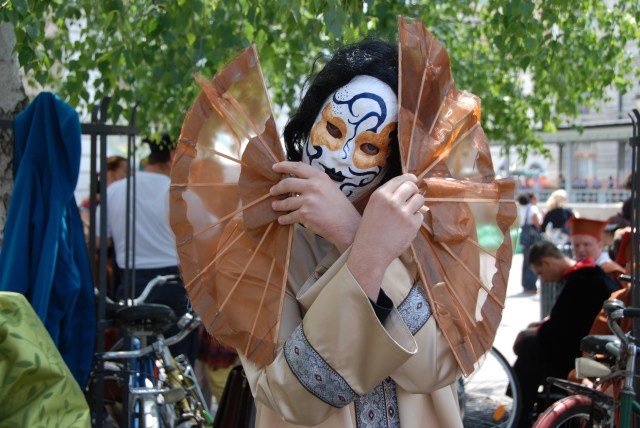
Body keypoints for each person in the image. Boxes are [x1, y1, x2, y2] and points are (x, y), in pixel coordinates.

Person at [230, 39, 462, 428]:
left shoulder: (430, 229)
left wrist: (354, 235)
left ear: (396, 160)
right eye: (333, 130)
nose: (339, 158)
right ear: (309, 125)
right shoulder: (258, 238)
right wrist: (364, 253)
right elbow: (290, 399)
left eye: (369, 146)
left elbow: (434, 369)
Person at [99, 134, 197, 362]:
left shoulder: (116, 190)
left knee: (135, 356)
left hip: (131, 281)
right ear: (172, 156)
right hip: (174, 281)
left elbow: (100, 241)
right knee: (177, 358)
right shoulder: (180, 191)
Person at [512, 240, 617, 427]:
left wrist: (534, 332)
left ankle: (521, 411)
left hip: (582, 352)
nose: (544, 280)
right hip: (587, 345)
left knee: (529, 347)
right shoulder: (587, 275)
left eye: (540, 273)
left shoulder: (581, 280)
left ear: (547, 262)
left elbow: (560, 330)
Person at [568, 216, 625, 281]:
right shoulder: (572, 271)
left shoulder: (612, 273)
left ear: (600, 244)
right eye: (576, 245)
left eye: (586, 244)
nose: (580, 250)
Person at [519, 192, 542, 293]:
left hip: (525, 237)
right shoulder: (532, 208)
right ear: (532, 199)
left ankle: (525, 285)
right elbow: (537, 223)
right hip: (532, 237)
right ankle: (531, 286)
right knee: (533, 260)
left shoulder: (523, 208)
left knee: (526, 261)